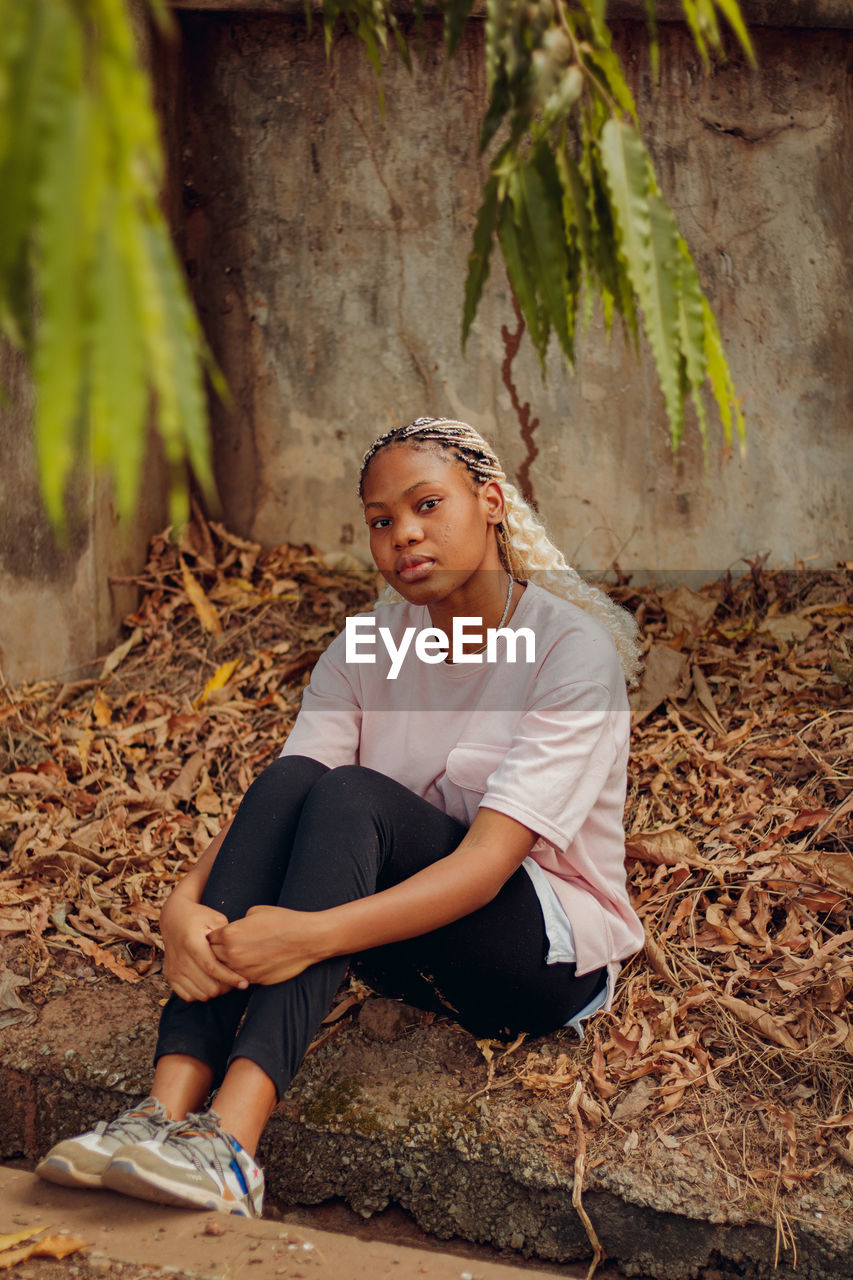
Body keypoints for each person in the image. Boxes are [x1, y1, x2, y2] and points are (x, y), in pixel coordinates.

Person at [36, 416, 644, 1218]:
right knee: (302, 779)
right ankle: (161, 1114)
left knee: (352, 795)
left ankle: (232, 1145)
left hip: (536, 960)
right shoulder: (371, 646)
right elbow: (284, 793)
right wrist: (184, 903)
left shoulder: (568, 653)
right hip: (395, 939)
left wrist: (311, 935)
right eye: (382, 522)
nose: (404, 536)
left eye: (428, 505)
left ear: (491, 502)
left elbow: (488, 864)